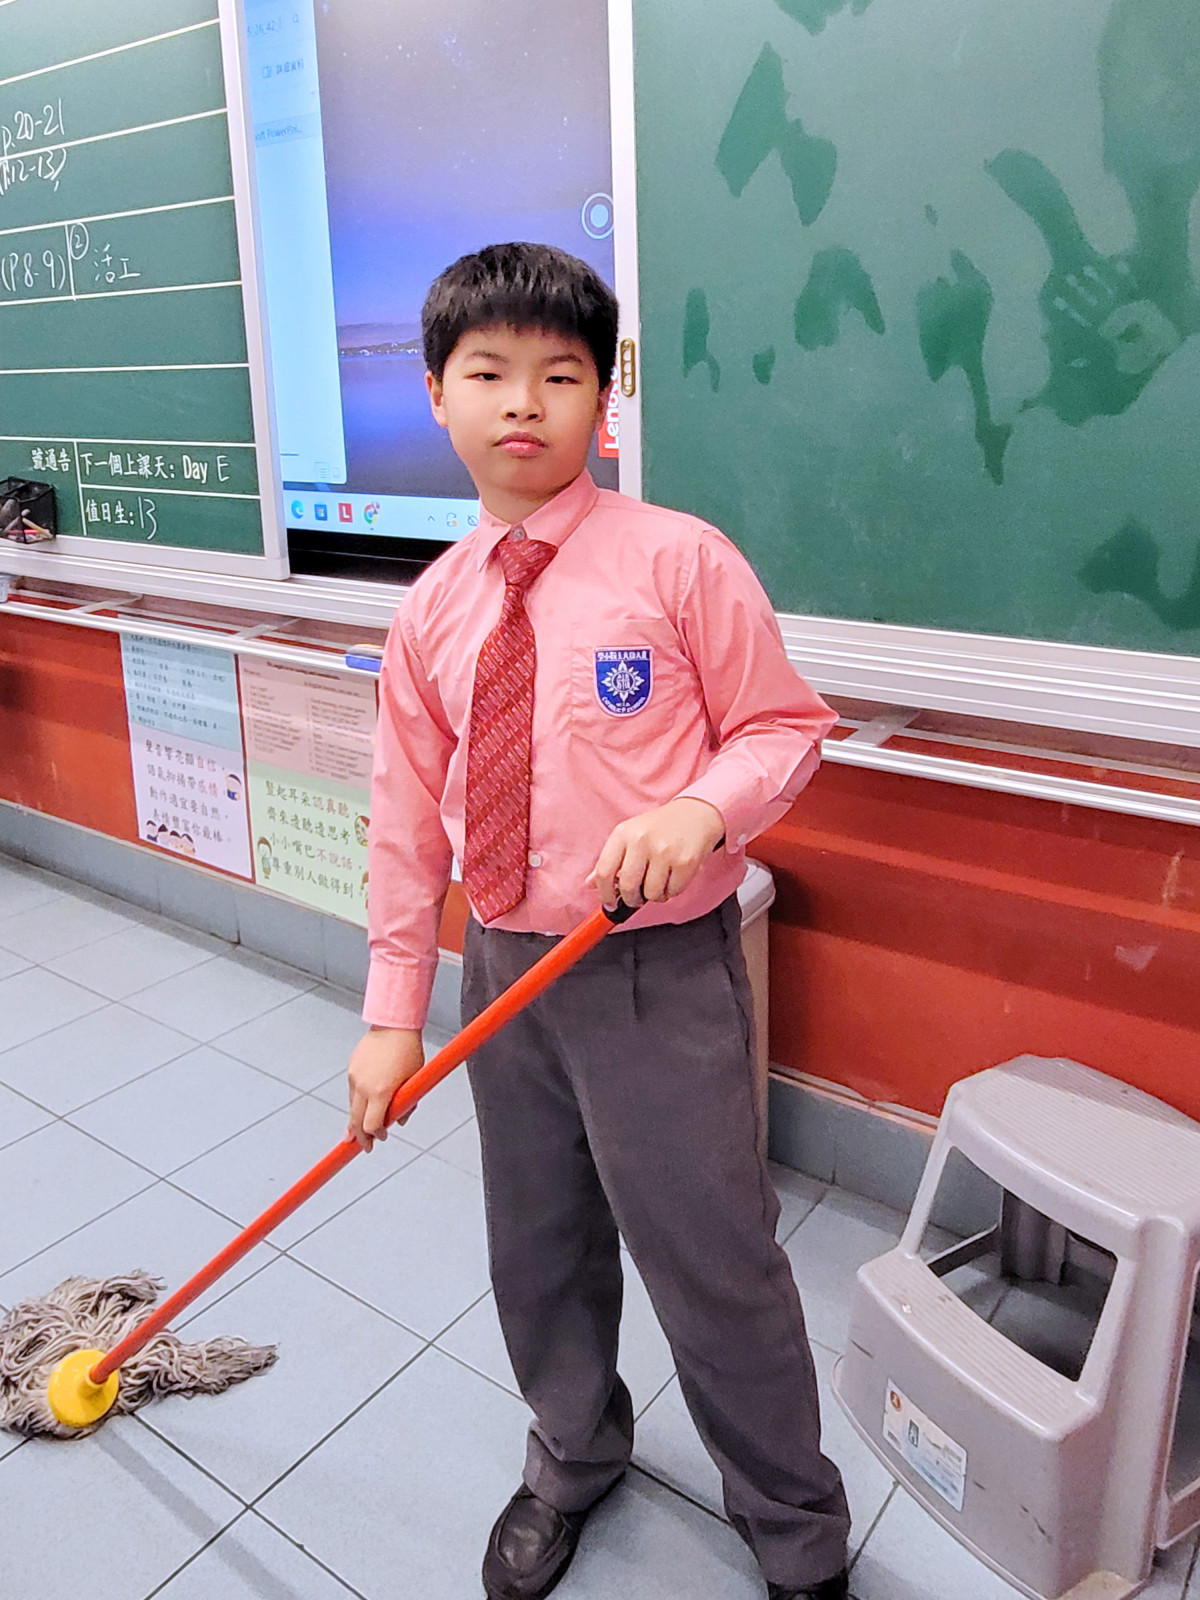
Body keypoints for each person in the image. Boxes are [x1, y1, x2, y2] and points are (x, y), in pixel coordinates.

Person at [346, 242, 850, 1600]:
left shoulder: (677, 561)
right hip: (502, 971)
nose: (524, 402)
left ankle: (796, 1525)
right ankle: (572, 1455)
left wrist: (703, 808)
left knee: (714, 1259)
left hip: (654, 976)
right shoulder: (433, 612)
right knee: (539, 1243)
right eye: (489, 373)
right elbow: (405, 827)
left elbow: (782, 728)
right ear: (438, 396)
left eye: (559, 375)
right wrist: (393, 1014)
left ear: (602, 400)